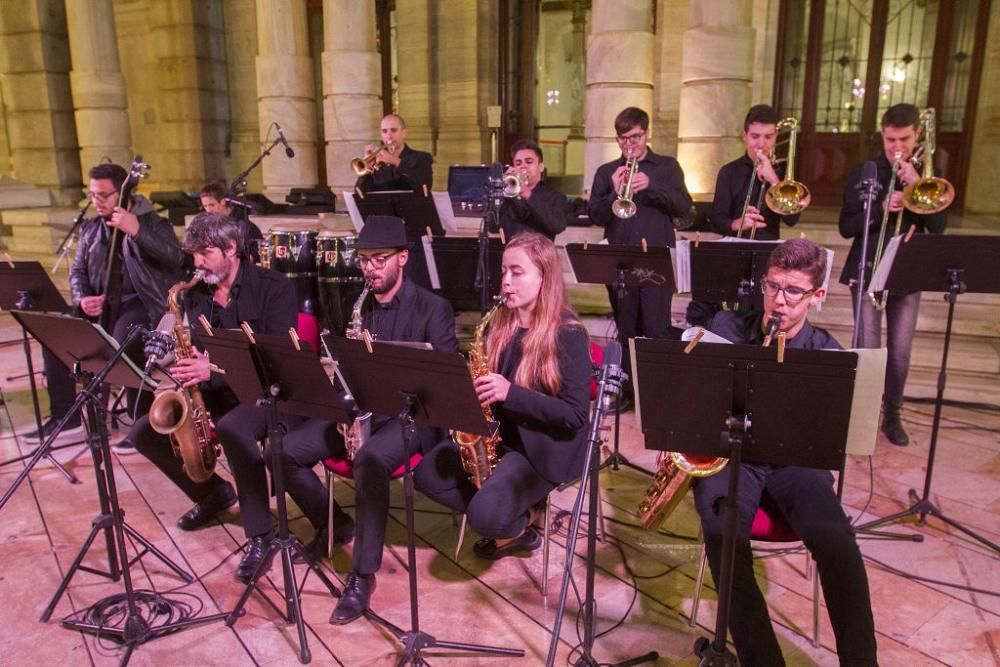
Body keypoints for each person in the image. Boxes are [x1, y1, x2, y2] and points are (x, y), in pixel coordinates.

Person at [696, 238, 877, 666]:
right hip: (732, 456)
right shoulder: (727, 327)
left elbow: (834, 435)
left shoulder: (828, 353)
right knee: (723, 536)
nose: (779, 300)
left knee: (837, 542)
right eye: (773, 286)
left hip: (796, 462)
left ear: (817, 297)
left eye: (793, 291)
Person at [130, 213, 307, 583]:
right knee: (145, 431)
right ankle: (213, 493)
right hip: (215, 389)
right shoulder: (194, 295)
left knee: (234, 430)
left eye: (205, 252)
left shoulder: (275, 287)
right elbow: (192, 346)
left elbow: (276, 359)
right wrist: (191, 395)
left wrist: (213, 369)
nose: (197, 262)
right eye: (193, 253)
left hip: (266, 390)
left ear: (231, 249)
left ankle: (261, 535)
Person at [414, 232, 591, 562]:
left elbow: (575, 416)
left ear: (544, 276)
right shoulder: (499, 326)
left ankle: (522, 522)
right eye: (503, 272)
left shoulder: (569, 334)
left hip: (544, 448)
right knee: (426, 475)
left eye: (517, 272)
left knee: (486, 517)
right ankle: (506, 509)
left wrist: (511, 393)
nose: (506, 282)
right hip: (503, 439)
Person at [316, 216, 458, 625]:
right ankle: (333, 524)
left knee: (372, 460)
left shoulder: (434, 308)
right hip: (366, 410)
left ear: (403, 258)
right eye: (363, 261)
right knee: (287, 446)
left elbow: (443, 381)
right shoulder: (358, 305)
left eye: (379, 260)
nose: (370, 269)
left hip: (412, 417)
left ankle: (362, 575)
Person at [27, 163, 184, 447]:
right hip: (100, 304)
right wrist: (83, 298)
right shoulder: (90, 230)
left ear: (123, 193)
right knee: (55, 328)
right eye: (92, 195)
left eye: (103, 195)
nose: (96, 201)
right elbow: (77, 272)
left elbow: (176, 260)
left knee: (126, 335)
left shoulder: (152, 223)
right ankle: (66, 416)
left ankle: (141, 424)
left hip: (141, 304)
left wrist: (137, 231)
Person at [839, 103, 947, 446]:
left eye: (904, 139)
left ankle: (893, 416)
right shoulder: (865, 171)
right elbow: (846, 226)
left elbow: (939, 227)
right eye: (890, 139)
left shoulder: (930, 174)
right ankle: (862, 417)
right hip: (868, 268)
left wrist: (917, 188)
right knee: (868, 348)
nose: (896, 147)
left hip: (908, 272)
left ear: (918, 136)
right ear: (882, 134)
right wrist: (880, 209)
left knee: (900, 352)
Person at [587, 107, 692, 407]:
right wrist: (614, 191)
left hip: (657, 262)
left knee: (657, 329)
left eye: (635, 137)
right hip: (620, 262)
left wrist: (653, 187)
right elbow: (594, 214)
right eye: (623, 139)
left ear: (647, 133)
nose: (630, 144)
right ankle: (629, 393)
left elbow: (684, 207)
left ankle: (656, 394)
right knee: (627, 329)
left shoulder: (667, 167)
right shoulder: (607, 172)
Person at [688, 104, 807, 328]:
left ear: (776, 137)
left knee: (763, 324)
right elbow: (716, 219)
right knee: (734, 324)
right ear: (744, 136)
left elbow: (793, 219)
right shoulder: (729, 172)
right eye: (755, 136)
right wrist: (736, 224)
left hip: (770, 259)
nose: (761, 144)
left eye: (767, 137)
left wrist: (774, 181)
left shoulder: (783, 177)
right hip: (734, 258)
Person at [491, 139, 573, 241]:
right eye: (518, 163)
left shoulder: (555, 197)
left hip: (539, 255)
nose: (523, 166)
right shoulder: (508, 197)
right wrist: (500, 193)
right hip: (511, 253)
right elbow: (493, 227)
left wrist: (527, 193)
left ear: (541, 167)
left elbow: (558, 226)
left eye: (529, 161)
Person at [354, 114, 433, 194]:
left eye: (394, 130)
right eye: (384, 131)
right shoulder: (377, 163)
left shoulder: (421, 157)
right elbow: (360, 194)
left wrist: (395, 161)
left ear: (404, 133)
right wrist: (366, 171)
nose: (389, 136)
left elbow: (424, 187)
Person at [199, 178, 264, 261]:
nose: (208, 210)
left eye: (212, 205)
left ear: (222, 201)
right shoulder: (208, 226)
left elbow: (255, 257)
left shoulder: (245, 227)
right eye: (205, 206)